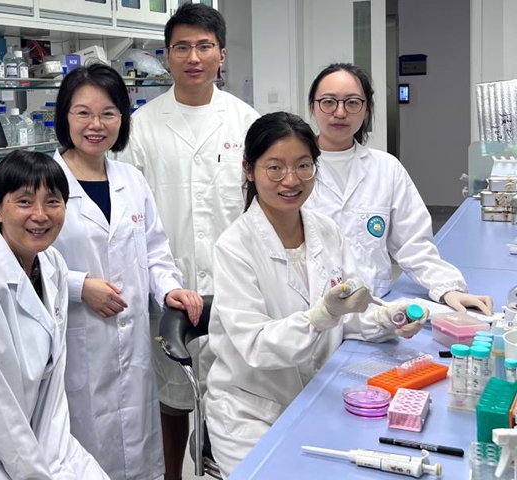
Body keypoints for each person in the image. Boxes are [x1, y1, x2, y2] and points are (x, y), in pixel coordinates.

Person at [204, 112, 425, 476]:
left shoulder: (326, 231)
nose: (291, 180)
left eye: (303, 165)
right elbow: (257, 346)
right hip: (251, 413)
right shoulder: (235, 247)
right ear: (249, 170)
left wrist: (388, 317)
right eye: (275, 168)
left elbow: (347, 315)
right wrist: (323, 314)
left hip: (317, 394)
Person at [119, 4, 260, 476]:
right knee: (171, 394)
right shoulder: (141, 126)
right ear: (167, 55)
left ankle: (224, 464)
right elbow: (131, 215)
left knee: (235, 392)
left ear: (222, 54)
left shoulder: (247, 122)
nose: (193, 57)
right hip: (168, 286)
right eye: (181, 47)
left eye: (204, 46)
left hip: (234, 286)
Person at [50, 63, 202, 480]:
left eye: (108, 113)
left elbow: (154, 249)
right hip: (75, 340)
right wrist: (79, 287)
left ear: (122, 118)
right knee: (81, 453)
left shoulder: (130, 179)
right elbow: (22, 261)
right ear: (65, 116)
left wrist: (169, 289)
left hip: (131, 344)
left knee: (138, 452)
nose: (96, 125)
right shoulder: (45, 180)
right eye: (83, 113)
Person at [0, 151, 109, 479]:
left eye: (52, 202)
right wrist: (36, 473)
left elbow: (52, 390)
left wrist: (57, 459)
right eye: (24, 202)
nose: (40, 215)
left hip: (39, 437)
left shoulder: (52, 264)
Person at [304, 63, 493, 315]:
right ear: (313, 107)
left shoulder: (386, 168)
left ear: (366, 109)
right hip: (310, 309)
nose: (340, 112)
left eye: (352, 103)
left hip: (372, 309)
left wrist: (448, 288)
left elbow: (413, 243)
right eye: (328, 102)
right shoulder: (293, 171)